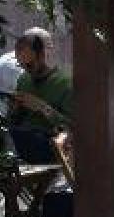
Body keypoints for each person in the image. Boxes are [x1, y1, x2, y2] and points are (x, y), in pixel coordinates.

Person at [10, 29, 74, 164]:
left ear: (43, 54)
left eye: (29, 64)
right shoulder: (23, 79)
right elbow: (14, 120)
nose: (26, 69)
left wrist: (43, 108)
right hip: (24, 145)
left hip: (54, 149)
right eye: (20, 64)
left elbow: (74, 127)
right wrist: (15, 109)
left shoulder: (66, 83)